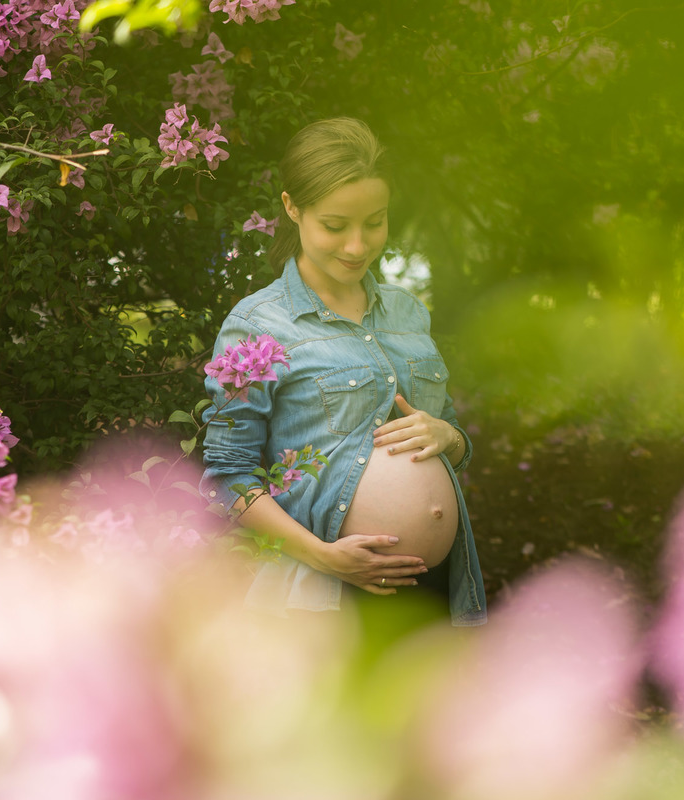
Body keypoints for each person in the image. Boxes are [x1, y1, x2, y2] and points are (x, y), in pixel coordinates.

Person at [200, 117, 486, 626]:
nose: (357, 246)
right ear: (292, 208)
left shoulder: (407, 312)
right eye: (335, 226)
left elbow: (452, 438)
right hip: (325, 595)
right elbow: (228, 475)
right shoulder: (256, 326)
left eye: (374, 222)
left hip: (437, 591)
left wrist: (448, 436)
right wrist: (323, 556)